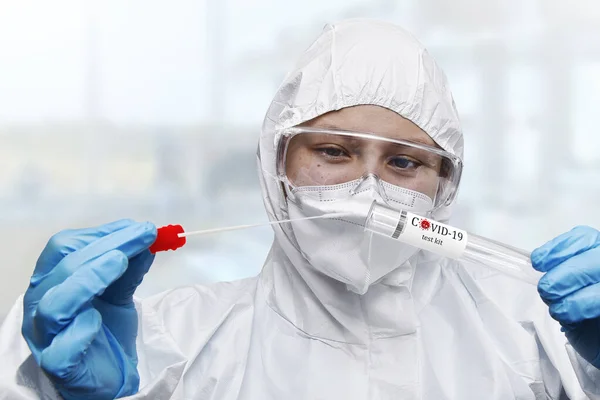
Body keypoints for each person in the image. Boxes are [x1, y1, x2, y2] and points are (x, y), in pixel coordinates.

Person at [1, 18, 600, 400]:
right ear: (277, 161)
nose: (367, 189)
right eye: (334, 152)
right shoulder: (170, 342)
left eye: (404, 163)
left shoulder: (542, 334)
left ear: (444, 184)